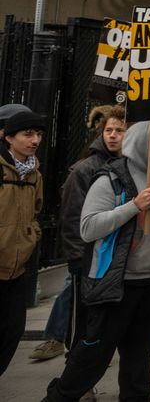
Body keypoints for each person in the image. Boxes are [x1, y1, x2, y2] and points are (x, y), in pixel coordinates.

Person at [43, 119, 150, 402]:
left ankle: (136, 396)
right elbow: (88, 227)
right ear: (145, 143)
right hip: (119, 286)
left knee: (140, 354)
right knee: (92, 356)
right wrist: (133, 206)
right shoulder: (112, 179)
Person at [31, 105, 127, 365]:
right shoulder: (85, 169)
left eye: (119, 130)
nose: (113, 135)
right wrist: (76, 258)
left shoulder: (130, 167)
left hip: (114, 257)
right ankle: (75, 368)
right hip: (88, 258)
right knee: (82, 322)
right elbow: (72, 217)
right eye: (109, 130)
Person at [0, 103, 45, 378]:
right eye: (28, 134)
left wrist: (31, 236)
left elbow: (36, 212)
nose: (35, 140)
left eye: (38, 134)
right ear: (7, 136)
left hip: (16, 270)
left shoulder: (34, 174)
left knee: (12, 332)